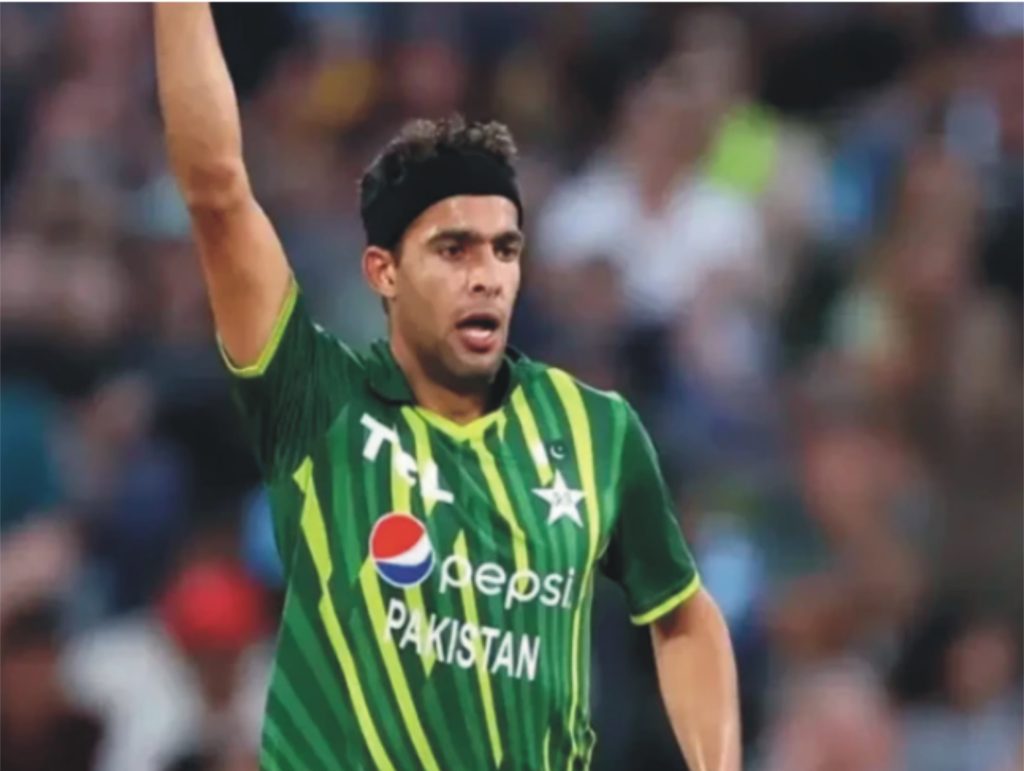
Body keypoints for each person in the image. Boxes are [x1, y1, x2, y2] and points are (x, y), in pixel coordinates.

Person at [154, 4, 740, 770]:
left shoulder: (595, 428)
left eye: (505, 249)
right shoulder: (318, 399)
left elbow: (683, 614)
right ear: (384, 272)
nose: (487, 276)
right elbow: (217, 189)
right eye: (454, 249)